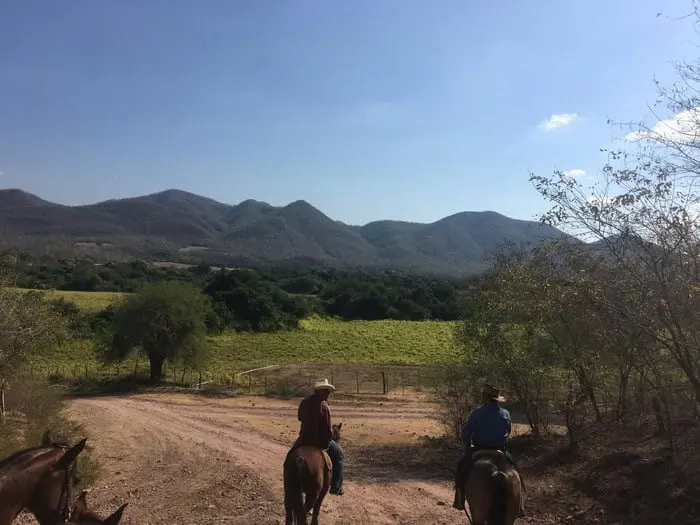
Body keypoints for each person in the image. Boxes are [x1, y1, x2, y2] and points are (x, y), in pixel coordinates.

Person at [452, 384, 524, 516]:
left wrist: (468, 444)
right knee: (516, 469)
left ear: (484, 398)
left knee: (461, 467)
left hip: (479, 449)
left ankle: (459, 499)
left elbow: (466, 434)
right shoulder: (505, 413)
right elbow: (508, 432)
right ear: (497, 399)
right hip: (500, 450)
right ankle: (520, 506)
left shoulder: (476, 414)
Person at [288, 378, 344, 496]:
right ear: (320, 391)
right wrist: (327, 439)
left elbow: (300, 417)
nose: (328, 393)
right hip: (319, 442)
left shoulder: (304, 402)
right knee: (338, 454)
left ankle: (288, 481)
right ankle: (336, 487)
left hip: (303, 439)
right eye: (326, 391)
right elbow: (328, 429)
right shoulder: (324, 406)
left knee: (290, 457)